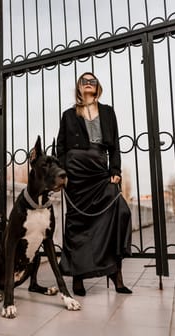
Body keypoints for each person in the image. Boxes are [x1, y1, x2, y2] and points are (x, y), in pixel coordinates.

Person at [56, 72, 132, 296]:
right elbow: (60, 147)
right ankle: (77, 279)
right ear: (79, 87)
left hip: (100, 170)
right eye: (84, 81)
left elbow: (115, 145)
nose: (89, 84)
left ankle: (114, 273)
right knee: (78, 225)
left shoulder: (108, 112)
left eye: (93, 81)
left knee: (119, 212)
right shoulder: (69, 115)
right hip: (76, 173)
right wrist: (63, 173)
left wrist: (115, 170)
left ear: (97, 87)